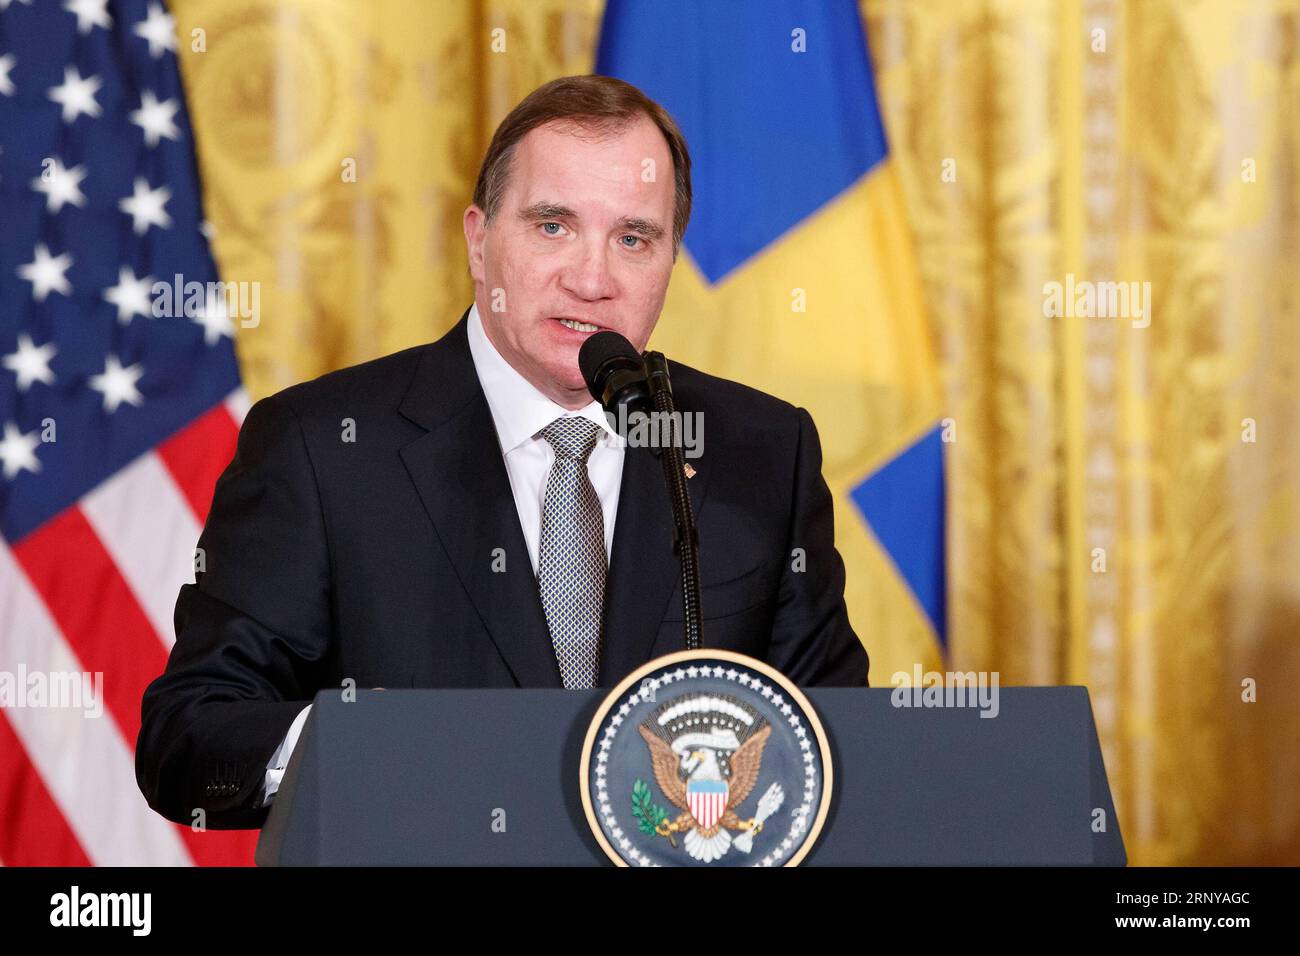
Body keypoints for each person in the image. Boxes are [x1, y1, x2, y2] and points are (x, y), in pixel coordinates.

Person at [136, 75, 868, 829]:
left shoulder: (759, 453)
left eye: (633, 238)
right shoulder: (322, 449)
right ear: (479, 243)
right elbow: (188, 736)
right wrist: (344, 740)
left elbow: (842, 745)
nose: (592, 279)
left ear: (671, 259)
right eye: (553, 226)